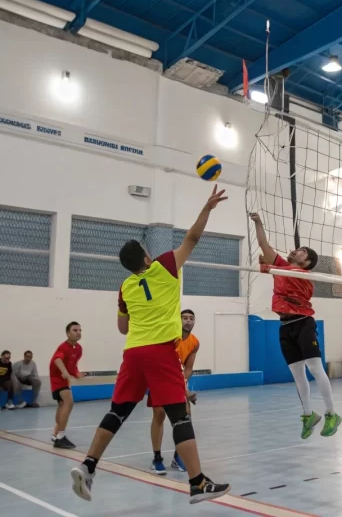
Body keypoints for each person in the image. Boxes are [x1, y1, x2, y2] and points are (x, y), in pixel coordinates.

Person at [70, 186, 230, 504]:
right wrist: (208, 207)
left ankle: (88, 467)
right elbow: (192, 239)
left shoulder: (126, 286)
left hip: (133, 352)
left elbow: (122, 327)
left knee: (117, 412)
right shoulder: (165, 267)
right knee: (179, 416)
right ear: (146, 257)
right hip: (160, 351)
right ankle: (197, 482)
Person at [249, 212, 341, 439]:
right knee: (297, 374)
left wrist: (267, 267)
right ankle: (309, 414)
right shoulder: (281, 266)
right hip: (284, 325)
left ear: (306, 261)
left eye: (302, 251)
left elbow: (273, 264)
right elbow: (263, 244)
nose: (295, 250)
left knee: (315, 368)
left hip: (303, 323)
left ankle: (332, 413)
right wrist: (259, 223)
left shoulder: (301, 273)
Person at [150, 309, 199, 474]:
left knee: (186, 414)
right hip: (159, 377)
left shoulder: (194, 342)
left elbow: (189, 367)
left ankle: (178, 458)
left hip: (177, 381)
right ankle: (157, 458)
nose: (188, 321)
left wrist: (183, 386)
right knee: (159, 414)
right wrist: (184, 390)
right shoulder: (170, 337)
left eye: (191, 318)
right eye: (184, 318)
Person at [51, 322, 85, 449]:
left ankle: (55, 434)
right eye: (75, 330)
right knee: (69, 402)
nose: (78, 332)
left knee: (62, 405)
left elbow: (73, 365)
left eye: (80, 330)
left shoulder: (79, 349)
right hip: (56, 379)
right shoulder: (63, 347)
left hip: (65, 380)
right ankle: (60, 436)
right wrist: (64, 372)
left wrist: (76, 373)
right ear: (68, 333)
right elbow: (57, 360)